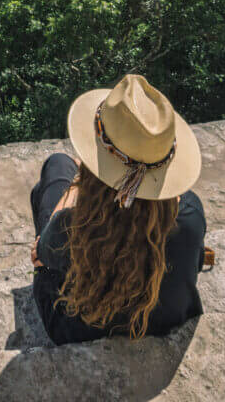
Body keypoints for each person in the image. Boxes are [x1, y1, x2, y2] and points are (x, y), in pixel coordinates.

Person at [29, 73, 207, 344]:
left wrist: (79, 182)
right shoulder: (191, 213)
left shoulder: (73, 229)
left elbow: (40, 252)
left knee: (56, 166)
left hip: (77, 328)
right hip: (164, 320)